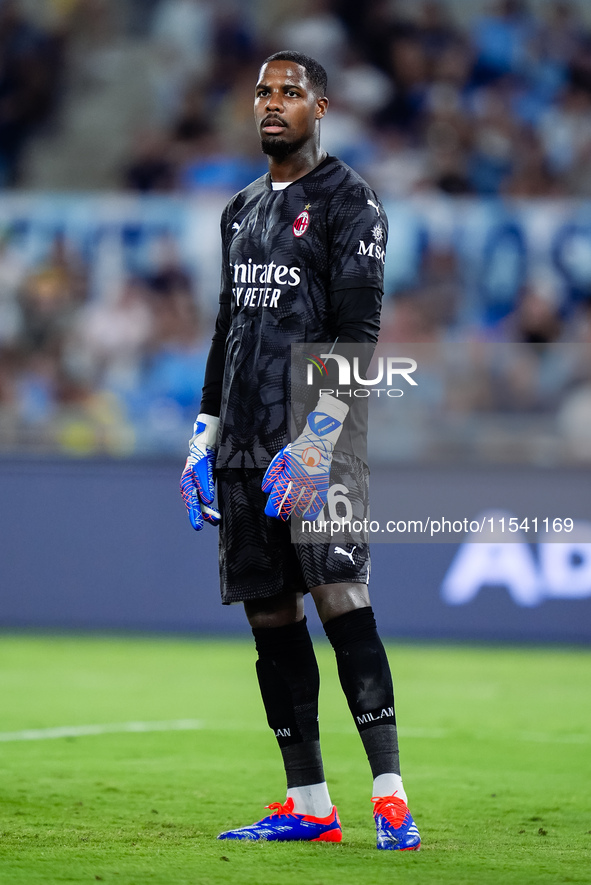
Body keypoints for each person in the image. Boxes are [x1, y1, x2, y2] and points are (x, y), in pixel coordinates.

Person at [180, 50, 421, 852]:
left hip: (319, 443)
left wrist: (317, 442)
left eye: (290, 92)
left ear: (321, 107)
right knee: (270, 617)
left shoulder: (352, 203)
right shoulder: (240, 209)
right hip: (245, 444)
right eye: (262, 92)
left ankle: (390, 793)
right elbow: (227, 330)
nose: (271, 104)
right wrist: (202, 436)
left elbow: (356, 335)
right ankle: (308, 801)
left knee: (340, 597)